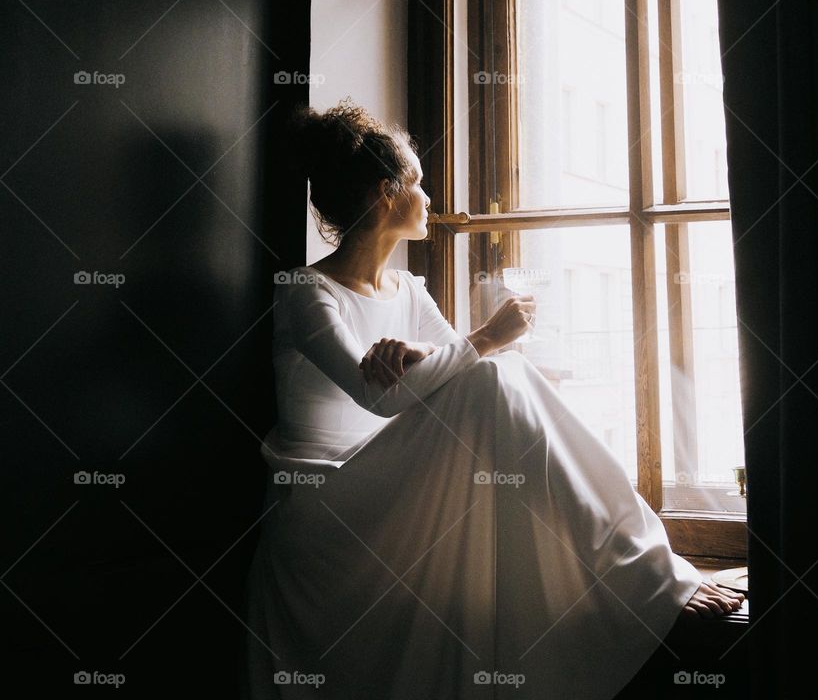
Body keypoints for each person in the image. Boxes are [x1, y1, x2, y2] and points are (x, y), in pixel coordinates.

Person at [241, 98, 744, 699]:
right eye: (420, 184)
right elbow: (377, 398)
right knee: (495, 369)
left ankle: (644, 565)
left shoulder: (407, 287)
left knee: (503, 374)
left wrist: (444, 355)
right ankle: (646, 574)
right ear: (386, 193)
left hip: (392, 484)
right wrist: (487, 336)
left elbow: (451, 374)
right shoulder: (305, 292)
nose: (430, 199)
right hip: (324, 505)